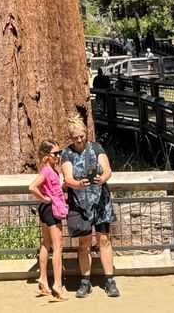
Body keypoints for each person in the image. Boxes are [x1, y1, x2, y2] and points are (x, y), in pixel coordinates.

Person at [61, 113, 120, 299]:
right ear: (70, 137)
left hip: (100, 200)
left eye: (82, 136)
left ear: (86, 133)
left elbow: (108, 169)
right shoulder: (67, 153)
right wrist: (77, 184)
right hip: (79, 203)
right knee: (84, 243)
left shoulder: (96, 147)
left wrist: (102, 178)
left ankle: (109, 280)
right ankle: (85, 281)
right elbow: (68, 178)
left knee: (104, 239)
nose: (79, 140)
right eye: (75, 137)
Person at [28, 140, 69, 300]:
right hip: (51, 210)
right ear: (46, 155)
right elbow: (31, 187)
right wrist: (45, 199)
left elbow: (51, 187)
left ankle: (43, 282)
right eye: (55, 154)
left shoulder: (50, 169)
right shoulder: (46, 170)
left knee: (46, 244)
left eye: (59, 153)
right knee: (58, 247)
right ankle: (57, 286)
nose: (58, 156)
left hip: (46, 210)